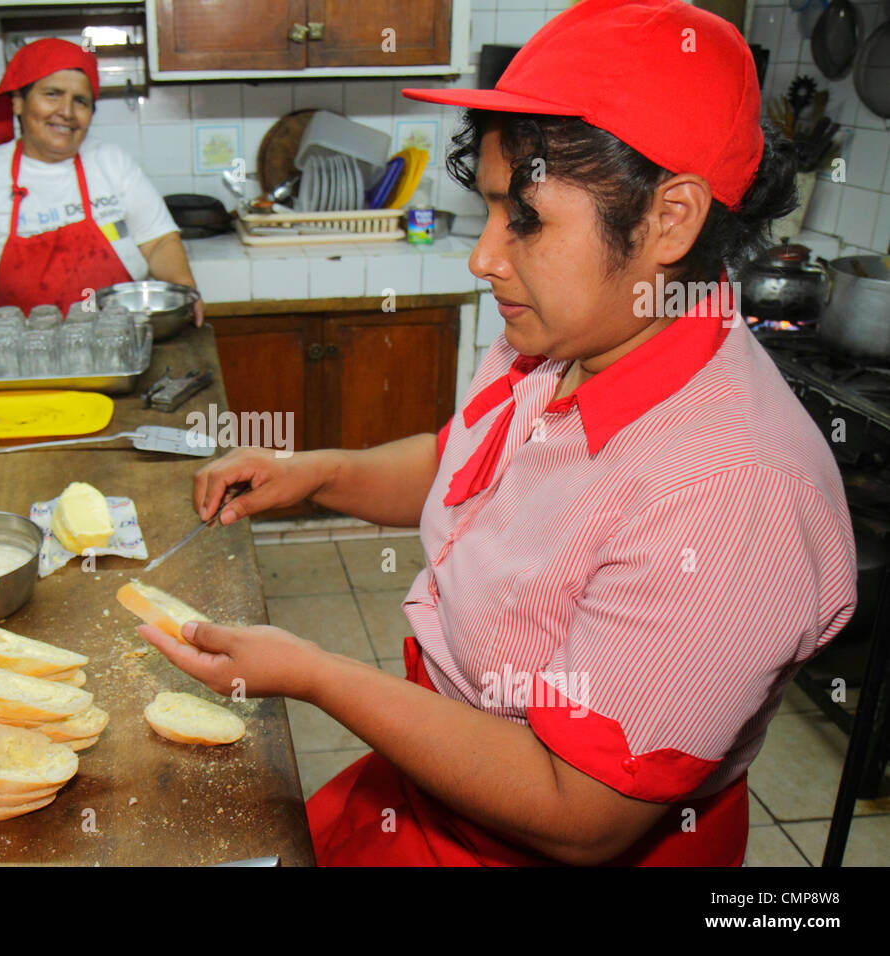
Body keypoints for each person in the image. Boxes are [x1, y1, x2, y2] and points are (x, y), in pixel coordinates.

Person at [136, 0, 857, 866]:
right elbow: (465, 468)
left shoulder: (732, 492)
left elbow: (580, 811)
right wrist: (316, 473)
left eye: (525, 219)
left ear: (671, 218)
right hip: (439, 780)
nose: (483, 258)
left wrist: (316, 674)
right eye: (486, 211)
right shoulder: (566, 337)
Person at [0, 38, 203, 328]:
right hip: (22, 346)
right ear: (18, 102)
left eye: (80, 101)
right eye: (52, 94)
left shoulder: (112, 163)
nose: (67, 112)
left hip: (121, 337)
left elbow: (158, 242)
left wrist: (184, 290)